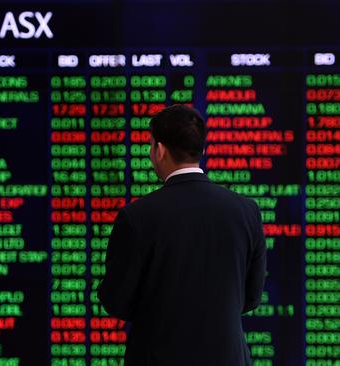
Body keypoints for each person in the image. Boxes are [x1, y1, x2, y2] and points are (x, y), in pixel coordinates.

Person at [97, 104, 267, 365]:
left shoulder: (136, 216)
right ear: (202, 150)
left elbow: (116, 301)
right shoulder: (246, 211)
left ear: (160, 150)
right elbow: (251, 296)